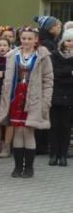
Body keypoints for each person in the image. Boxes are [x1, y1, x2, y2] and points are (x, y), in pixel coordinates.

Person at [0, 27, 53, 178]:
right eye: (23, 38)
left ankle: (29, 168)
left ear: (36, 39)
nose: (26, 41)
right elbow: (7, 79)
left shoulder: (43, 56)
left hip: (33, 97)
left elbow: (48, 80)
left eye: (30, 38)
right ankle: (17, 167)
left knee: (28, 131)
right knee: (17, 131)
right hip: (16, 96)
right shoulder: (12, 55)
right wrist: (4, 97)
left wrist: (46, 101)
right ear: (19, 39)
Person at [48, 28, 73, 167]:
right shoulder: (54, 55)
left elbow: (59, 75)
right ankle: (53, 154)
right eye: (68, 40)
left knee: (66, 127)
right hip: (54, 96)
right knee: (54, 126)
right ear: (63, 42)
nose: (70, 43)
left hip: (69, 97)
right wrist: (69, 73)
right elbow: (53, 73)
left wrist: (62, 75)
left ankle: (63, 155)